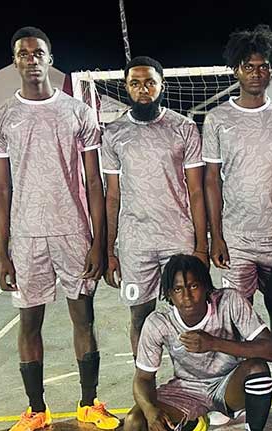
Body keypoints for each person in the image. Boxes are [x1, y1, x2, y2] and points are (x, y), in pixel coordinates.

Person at [0, 26, 118, 431]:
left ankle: (89, 403)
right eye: (23, 53)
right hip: (26, 237)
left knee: (84, 319)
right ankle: (36, 410)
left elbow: (94, 182)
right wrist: (3, 252)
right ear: (15, 61)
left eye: (37, 52)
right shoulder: (1, 116)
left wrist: (98, 241)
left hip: (73, 232)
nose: (31, 59)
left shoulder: (77, 112)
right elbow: (1, 188)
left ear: (50, 58)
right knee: (29, 323)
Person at [203, 25, 272, 421]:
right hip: (236, 239)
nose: (256, 73)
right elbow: (211, 181)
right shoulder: (217, 119)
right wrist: (216, 236)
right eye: (248, 66)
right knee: (235, 318)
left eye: (263, 66)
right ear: (236, 69)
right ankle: (232, 396)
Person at [124, 255, 272, 431]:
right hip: (187, 389)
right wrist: (150, 411)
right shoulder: (158, 322)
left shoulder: (229, 301)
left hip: (228, 383)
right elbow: (143, 378)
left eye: (193, 286)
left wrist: (214, 343)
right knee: (134, 425)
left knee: (258, 369)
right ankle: (194, 423)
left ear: (207, 286)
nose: (187, 296)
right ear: (169, 294)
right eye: (178, 289)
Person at [101, 56, 208, 361]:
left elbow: (196, 191)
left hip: (178, 237)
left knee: (189, 313)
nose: (143, 89)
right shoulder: (114, 133)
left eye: (150, 82)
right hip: (135, 243)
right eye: (135, 83)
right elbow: (112, 196)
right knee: (140, 317)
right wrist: (109, 250)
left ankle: (191, 381)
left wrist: (202, 246)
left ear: (162, 86)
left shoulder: (183, 128)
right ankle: (145, 383)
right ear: (126, 88)